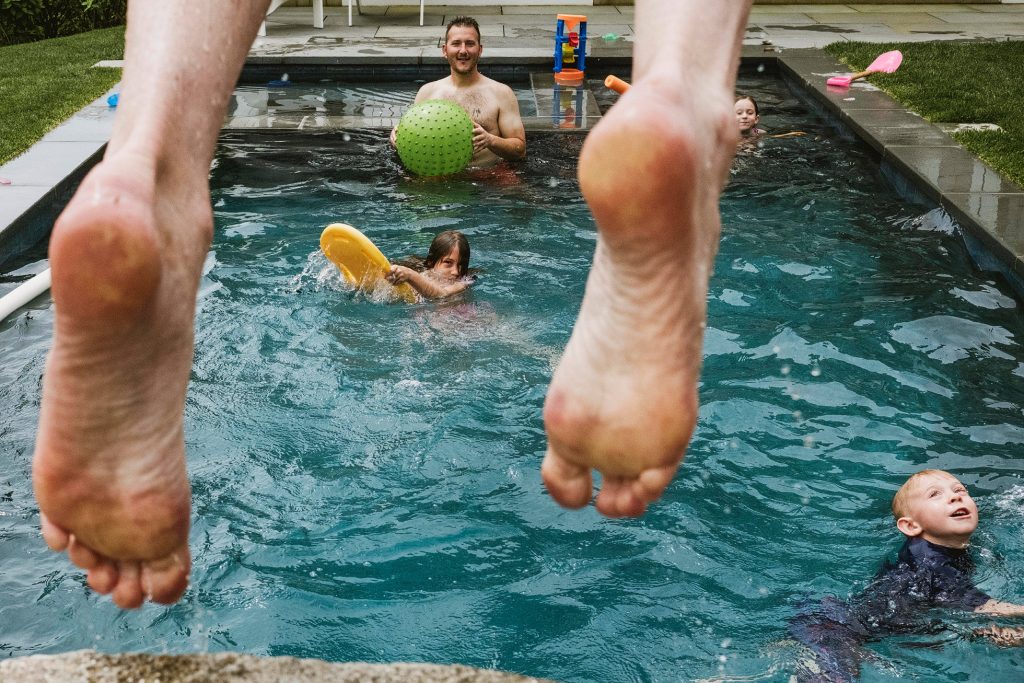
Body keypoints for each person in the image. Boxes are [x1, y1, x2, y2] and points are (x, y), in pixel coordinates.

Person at [34, 0, 754, 609]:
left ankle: (151, 164)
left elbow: (514, 155)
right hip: (448, 306)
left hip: (459, 265)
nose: (464, 47)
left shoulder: (494, 104)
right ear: (445, 48)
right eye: (456, 40)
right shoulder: (426, 105)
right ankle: (681, 101)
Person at [789, 470, 1024, 682]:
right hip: (846, 630)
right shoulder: (930, 562)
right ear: (911, 527)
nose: (955, 497)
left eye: (960, 490)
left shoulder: (949, 548)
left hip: (883, 623)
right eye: (935, 495)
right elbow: (980, 605)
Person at [390, 16, 526, 167]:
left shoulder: (501, 93)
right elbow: (416, 139)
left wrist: (490, 140)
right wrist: (399, 137)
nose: (463, 51)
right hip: (439, 176)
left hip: (487, 178)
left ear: (480, 50)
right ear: (445, 50)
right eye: (456, 44)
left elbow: (520, 150)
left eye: (470, 44)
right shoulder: (427, 92)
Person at [387, 230, 474, 300]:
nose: (456, 272)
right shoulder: (425, 273)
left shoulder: (462, 283)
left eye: (461, 264)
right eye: (448, 262)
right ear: (431, 263)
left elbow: (441, 294)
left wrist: (409, 275)